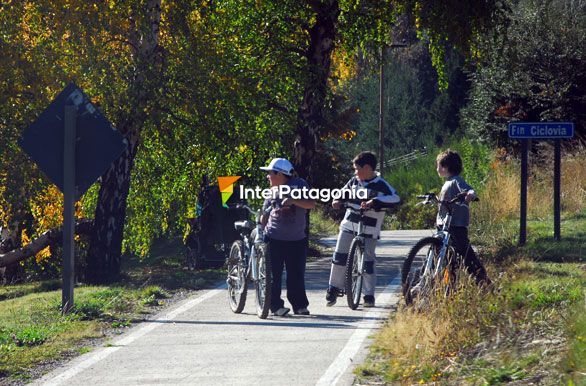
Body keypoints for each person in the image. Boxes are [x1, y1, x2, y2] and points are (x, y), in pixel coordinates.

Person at [326, 151, 400, 308]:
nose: (355, 172)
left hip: (370, 227)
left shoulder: (381, 185)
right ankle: (334, 287)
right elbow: (342, 192)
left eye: (356, 168)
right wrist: (337, 200)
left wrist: (375, 201)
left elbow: (395, 198)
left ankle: (368, 295)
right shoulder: (354, 181)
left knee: (368, 261)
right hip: (349, 224)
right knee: (339, 256)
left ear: (367, 168)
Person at [260, 158, 315, 316]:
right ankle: (275, 306)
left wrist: (293, 200)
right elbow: (264, 215)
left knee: (296, 274)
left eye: (270, 173)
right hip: (273, 238)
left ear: (279, 174)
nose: (268, 176)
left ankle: (300, 305)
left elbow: (311, 203)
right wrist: (262, 229)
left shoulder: (300, 184)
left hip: (297, 239)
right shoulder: (272, 190)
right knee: (273, 275)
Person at [434, 149, 490, 285]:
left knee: (466, 255)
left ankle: (483, 282)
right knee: (446, 257)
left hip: (456, 225)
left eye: (438, 165)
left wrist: (471, 194)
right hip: (445, 225)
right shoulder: (447, 182)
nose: (437, 168)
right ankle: (448, 286)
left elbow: (468, 189)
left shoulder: (456, 180)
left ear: (445, 167)